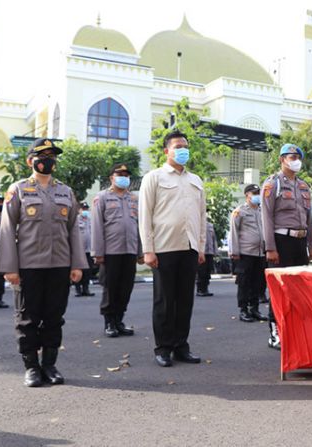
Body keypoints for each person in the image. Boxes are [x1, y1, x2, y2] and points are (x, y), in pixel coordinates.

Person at [0, 138, 86, 387]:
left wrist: (77, 264)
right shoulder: (18, 190)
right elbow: (7, 229)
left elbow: (74, 231)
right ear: (30, 161)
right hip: (29, 266)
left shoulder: (65, 192)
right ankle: (31, 367)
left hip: (59, 265)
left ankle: (49, 364)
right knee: (27, 318)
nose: (47, 160)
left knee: (54, 317)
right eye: (41, 156)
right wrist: (10, 268)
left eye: (51, 156)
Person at [139, 130, 206, 367]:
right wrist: (148, 249)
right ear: (167, 151)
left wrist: (200, 247)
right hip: (164, 247)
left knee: (185, 300)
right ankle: (163, 347)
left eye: (185, 145)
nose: (182, 149)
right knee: (165, 300)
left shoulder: (195, 180)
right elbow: (145, 215)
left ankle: (181, 346)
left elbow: (201, 216)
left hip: (189, 247)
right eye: (178, 146)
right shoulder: (154, 178)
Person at [262, 143, 312, 349]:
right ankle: (275, 333)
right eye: (291, 157)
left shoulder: (303, 186)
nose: (295, 160)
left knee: (300, 288)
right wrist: (270, 247)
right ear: (281, 159)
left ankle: (294, 330)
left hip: (300, 241)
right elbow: (266, 216)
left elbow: (309, 218)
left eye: (297, 157)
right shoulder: (272, 184)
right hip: (281, 241)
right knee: (279, 288)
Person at [91, 163, 143, 338]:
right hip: (110, 251)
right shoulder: (102, 197)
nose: (124, 177)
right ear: (111, 178)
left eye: (126, 175)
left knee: (126, 287)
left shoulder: (134, 199)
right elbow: (97, 226)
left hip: (130, 249)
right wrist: (97, 252)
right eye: (119, 174)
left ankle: (119, 320)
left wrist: (141, 251)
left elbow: (139, 227)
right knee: (111, 288)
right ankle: (109, 322)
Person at [229, 184, 268, 323]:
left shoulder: (262, 211)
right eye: (254, 193)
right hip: (245, 253)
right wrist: (234, 252)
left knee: (257, 282)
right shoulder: (239, 212)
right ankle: (243, 310)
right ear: (247, 195)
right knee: (244, 283)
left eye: (258, 192)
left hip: (260, 253)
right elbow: (233, 232)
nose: (257, 195)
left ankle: (254, 309)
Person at [74, 202, 95, 297]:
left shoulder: (91, 219)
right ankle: (78, 289)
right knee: (79, 270)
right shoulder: (76, 220)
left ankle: (86, 289)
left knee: (88, 270)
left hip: (89, 250)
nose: (85, 211)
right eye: (83, 209)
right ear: (79, 210)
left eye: (86, 209)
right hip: (79, 251)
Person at [196, 221, 218, 296]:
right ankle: (200, 289)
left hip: (210, 252)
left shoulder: (210, 225)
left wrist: (215, 251)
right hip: (202, 252)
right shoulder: (197, 224)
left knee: (208, 271)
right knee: (201, 271)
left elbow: (214, 239)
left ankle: (205, 288)